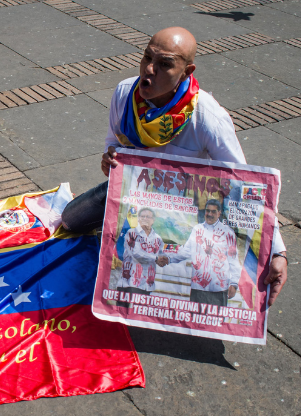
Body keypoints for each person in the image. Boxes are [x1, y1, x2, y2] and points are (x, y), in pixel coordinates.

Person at [60, 26, 288, 305]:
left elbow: (243, 185)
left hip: (187, 210)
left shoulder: (206, 117)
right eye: (147, 58)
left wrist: (277, 252)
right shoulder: (124, 94)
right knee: (70, 220)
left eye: (165, 64)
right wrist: (110, 160)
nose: (149, 70)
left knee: (198, 262)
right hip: (136, 195)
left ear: (186, 71)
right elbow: (113, 143)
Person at [156, 200, 241, 306]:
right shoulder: (197, 230)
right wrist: (168, 258)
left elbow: (233, 259)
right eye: (207, 211)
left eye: (213, 212)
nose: (209, 214)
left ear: (219, 213)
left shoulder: (228, 233)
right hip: (198, 288)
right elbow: (186, 251)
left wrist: (234, 283)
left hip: (218, 288)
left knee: (217, 321)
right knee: (195, 320)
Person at [117, 208, 164, 299]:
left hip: (146, 285)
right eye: (142, 216)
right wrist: (156, 259)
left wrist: (166, 259)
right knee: (121, 312)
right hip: (129, 284)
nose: (145, 219)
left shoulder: (158, 239)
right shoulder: (131, 233)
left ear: (153, 220)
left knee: (139, 312)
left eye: (148, 217)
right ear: (138, 218)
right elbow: (136, 254)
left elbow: (161, 255)